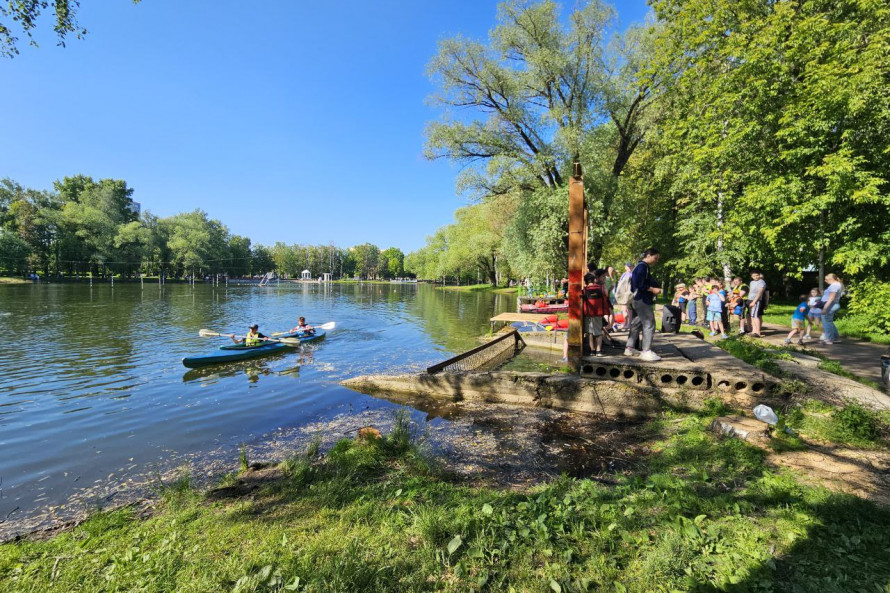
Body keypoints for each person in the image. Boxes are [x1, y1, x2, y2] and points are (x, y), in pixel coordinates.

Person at [624, 248, 662, 362]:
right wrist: (653, 289)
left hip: (638, 300)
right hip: (642, 300)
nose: (656, 261)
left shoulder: (642, 267)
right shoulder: (642, 267)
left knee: (636, 323)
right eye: (655, 258)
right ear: (649, 255)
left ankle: (629, 348)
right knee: (649, 324)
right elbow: (638, 284)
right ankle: (646, 351)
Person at [583, 269, 611, 357]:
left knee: (590, 333)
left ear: (586, 281)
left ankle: (592, 351)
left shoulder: (585, 290)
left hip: (588, 313)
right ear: (594, 280)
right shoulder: (601, 288)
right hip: (598, 313)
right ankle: (599, 351)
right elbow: (606, 295)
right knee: (598, 332)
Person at [820, 273, 845, 344]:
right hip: (832, 305)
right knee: (829, 322)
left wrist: (825, 308)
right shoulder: (836, 285)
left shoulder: (834, 286)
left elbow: (831, 298)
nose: (825, 281)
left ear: (831, 279)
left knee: (826, 322)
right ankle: (835, 338)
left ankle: (829, 339)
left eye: (826, 279)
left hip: (830, 305)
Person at [747, 270, 767, 338]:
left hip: (756, 301)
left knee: (755, 316)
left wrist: (754, 302)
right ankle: (754, 331)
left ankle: (758, 332)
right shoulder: (752, 282)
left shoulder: (761, 282)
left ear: (759, 275)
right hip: (750, 300)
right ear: (751, 276)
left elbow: (759, 293)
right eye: (753, 276)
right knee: (752, 316)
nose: (755, 277)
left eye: (757, 275)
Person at [614, 263, 634, 331]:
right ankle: (625, 323)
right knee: (624, 309)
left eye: (631, 266)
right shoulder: (624, 274)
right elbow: (620, 284)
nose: (629, 268)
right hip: (623, 295)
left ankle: (629, 323)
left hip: (629, 295)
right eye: (628, 266)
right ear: (625, 267)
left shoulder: (632, 274)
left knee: (629, 309)